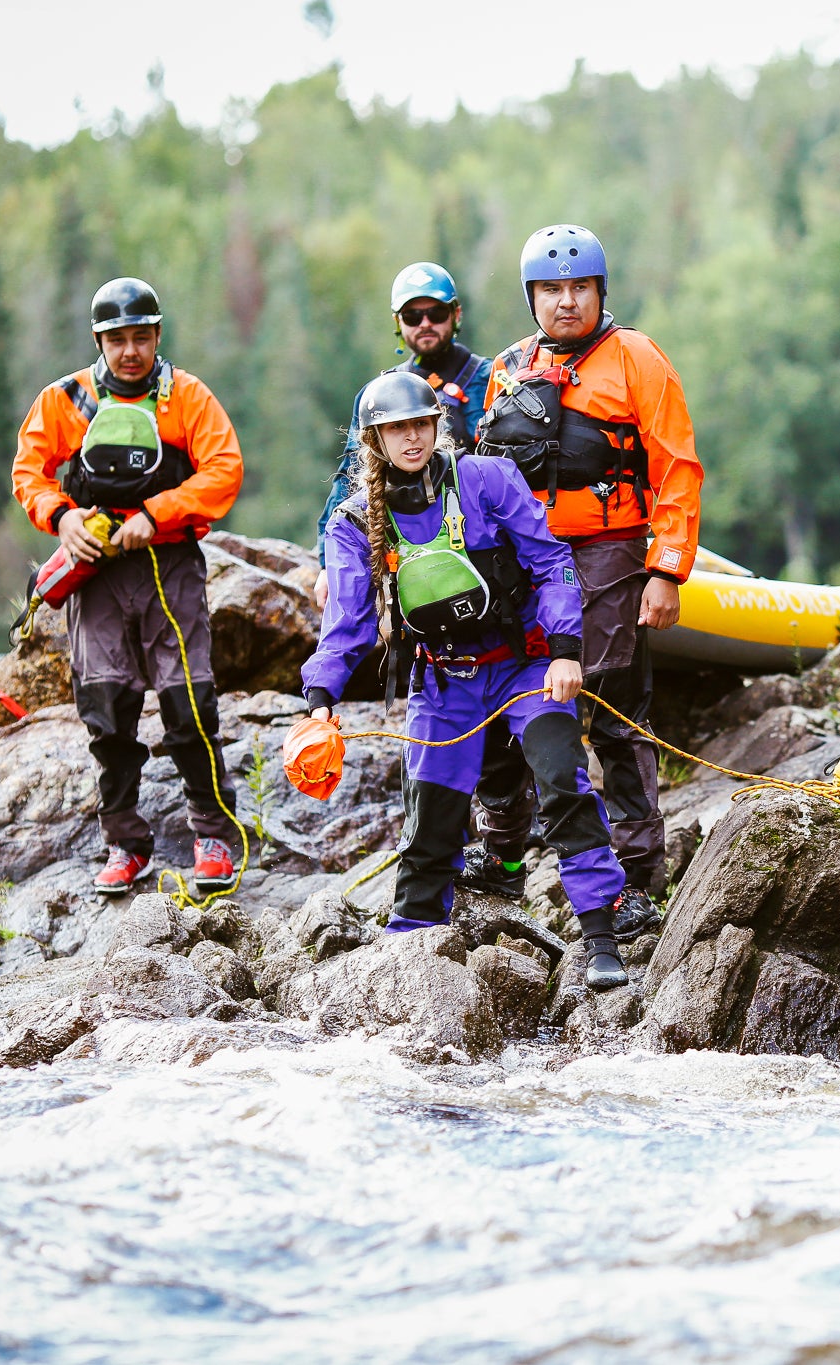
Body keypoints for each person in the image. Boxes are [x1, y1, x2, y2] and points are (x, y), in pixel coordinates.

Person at [301, 370, 633, 988]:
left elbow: (552, 560)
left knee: (561, 778)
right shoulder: (352, 523)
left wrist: (566, 650)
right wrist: (320, 702)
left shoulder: (486, 480)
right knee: (432, 819)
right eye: (395, 429)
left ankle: (601, 934)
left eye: (420, 425)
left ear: (437, 426)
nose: (411, 439)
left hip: (526, 665)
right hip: (444, 681)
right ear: (373, 441)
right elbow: (346, 621)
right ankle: (413, 945)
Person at [460, 224, 702, 935]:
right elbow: (483, 472)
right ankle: (504, 853)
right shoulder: (510, 367)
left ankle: (639, 879)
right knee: (504, 697)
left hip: (611, 554)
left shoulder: (636, 358)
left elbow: (677, 467)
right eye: (552, 291)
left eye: (579, 289)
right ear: (532, 296)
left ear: (600, 291)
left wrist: (666, 570)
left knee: (614, 711)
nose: (566, 302)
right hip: (524, 563)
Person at [11, 277, 246, 895]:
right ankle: (123, 842)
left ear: (158, 335)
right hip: (96, 571)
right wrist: (61, 519)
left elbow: (225, 471)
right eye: (118, 340)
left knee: (187, 702)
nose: (131, 351)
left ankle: (213, 836)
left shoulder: (187, 397)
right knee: (106, 711)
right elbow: (30, 470)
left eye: (141, 337)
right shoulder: (65, 401)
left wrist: (158, 513)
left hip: (169, 567)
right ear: (99, 340)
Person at [313, 262, 490, 609]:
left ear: (456, 314)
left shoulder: (492, 376)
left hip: (482, 534)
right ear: (398, 322)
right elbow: (352, 474)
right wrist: (325, 562)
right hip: (406, 538)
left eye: (436, 312)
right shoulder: (379, 395)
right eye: (412, 316)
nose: (425, 323)